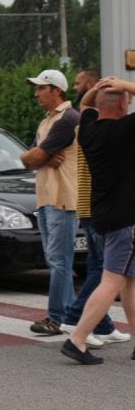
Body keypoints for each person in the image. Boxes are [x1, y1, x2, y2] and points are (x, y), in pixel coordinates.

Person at [59, 77, 135, 365]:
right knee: (112, 280)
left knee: (130, 280)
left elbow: (86, 103)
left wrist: (100, 88)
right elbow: (91, 102)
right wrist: (124, 84)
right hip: (124, 217)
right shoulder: (126, 129)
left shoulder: (89, 129)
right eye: (127, 99)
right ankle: (77, 339)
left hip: (101, 213)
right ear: (122, 104)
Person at [20, 69, 80, 336]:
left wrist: (39, 156)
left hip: (62, 199)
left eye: (41, 88)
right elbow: (29, 157)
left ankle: (57, 317)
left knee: (59, 260)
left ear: (56, 90)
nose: (36, 93)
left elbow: (33, 157)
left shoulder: (67, 119)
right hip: (46, 197)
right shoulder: (47, 121)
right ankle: (69, 314)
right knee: (55, 259)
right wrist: (42, 157)